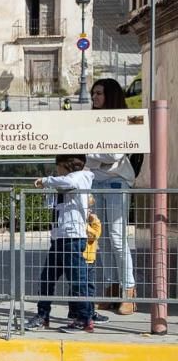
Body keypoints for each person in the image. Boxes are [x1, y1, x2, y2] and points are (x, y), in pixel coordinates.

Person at [25, 155, 95, 333]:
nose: (56, 170)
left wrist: (46, 181)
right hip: (59, 236)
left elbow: (69, 183)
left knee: (77, 280)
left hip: (72, 237)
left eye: (58, 167)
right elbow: (53, 202)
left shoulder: (81, 176)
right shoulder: (64, 181)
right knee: (47, 277)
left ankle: (84, 318)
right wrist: (49, 188)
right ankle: (43, 315)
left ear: (66, 165)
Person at [86, 78, 137, 316]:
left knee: (118, 237)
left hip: (117, 181)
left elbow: (115, 153)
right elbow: (86, 154)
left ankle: (129, 290)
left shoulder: (122, 121)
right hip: (96, 180)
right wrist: (98, 155)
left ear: (111, 95)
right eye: (93, 93)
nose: (95, 97)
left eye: (99, 93)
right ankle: (110, 288)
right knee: (101, 238)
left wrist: (93, 153)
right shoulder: (91, 121)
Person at [69, 196, 109, 324]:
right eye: (87, 208)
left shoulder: (88, 222)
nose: (90, 211)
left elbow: (96, 234)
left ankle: (87, 311)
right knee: (81, 288)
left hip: (90, 259)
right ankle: (80, 312)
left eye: (90, 208)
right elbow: (94, 235)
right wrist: (93, 222)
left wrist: (93, 220)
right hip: (82, 259)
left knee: (87, 287)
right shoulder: (81, 224)